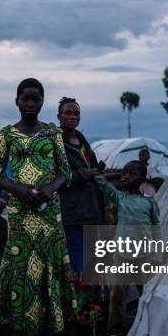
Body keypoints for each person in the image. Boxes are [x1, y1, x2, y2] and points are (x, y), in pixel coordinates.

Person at [0, 78, 77, 336]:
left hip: (48, 213)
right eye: (26, 99)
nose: (31, 104)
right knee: (22, 269)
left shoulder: (52, 134)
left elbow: (66, 172)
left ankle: (49, 332)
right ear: (16, 100)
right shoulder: (7, 135)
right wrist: (17, 189)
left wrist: (50, 189)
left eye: (36, 99)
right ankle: (21, 331)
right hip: (20, 213)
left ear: (42, 102)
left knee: (49, 266)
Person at [95, 161, 160, 336]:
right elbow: (99, 180)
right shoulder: (120, 197)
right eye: (124, 173)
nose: (126, 176)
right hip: (122, 255)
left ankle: (150, 327)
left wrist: (157, 255)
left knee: (147, 292)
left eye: (131, 173)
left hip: (145, 255)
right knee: (117, 295)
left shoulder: (149, 203)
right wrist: (117, 174)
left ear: (142, 179)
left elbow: (156, 228)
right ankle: (115, 333)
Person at [57, 97, 106, 308]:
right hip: (74, 213)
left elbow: (92, 172)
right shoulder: (56, 144)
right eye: (68, 113)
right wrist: (82, 174)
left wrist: (99, 173)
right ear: (59, 116)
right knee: (78, 262)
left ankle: (93, 306)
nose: (72, 117)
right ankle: (79, 309)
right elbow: (56, 178)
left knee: (92, 262)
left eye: (76, 113)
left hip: (92, 210)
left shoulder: (82, 140)